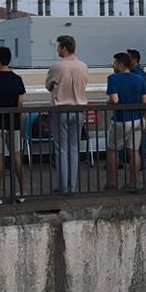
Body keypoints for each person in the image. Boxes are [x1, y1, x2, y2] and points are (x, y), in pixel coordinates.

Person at [45, 35, 89, 195]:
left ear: (64, 48)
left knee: (61, 149)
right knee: (74, 148)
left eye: (58, 47)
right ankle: (72, 186)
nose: (57, 49)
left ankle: (63, 187)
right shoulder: (83, 66)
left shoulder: (57, 67)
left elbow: (48, 85)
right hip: (78, 110)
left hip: (61, 109)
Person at [0, 47, 27, 204]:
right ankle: (22, 191)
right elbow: (20, 102)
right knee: (16, 157)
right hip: (13, 123)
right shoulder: (17, 79)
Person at [105, 52, 146, 190]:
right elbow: (145, 101)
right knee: (134, 151)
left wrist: (108, 103)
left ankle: (112, 183)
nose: (113, 65)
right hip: (138, 119)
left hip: (121, 119)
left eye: (115, 63)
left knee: (113, 150)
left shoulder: (113, 78)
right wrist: (145, 119)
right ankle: (132, 183)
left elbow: (114, 100)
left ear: (121, 64)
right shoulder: (139, 79)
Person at [119, 48, 146, 170]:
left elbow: (145, 96)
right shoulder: (137, 74)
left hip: (136, 110)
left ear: (135, 60)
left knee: (138, 139)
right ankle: (127, 161)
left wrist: (145, 115)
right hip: (135, 110)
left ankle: (139, 163)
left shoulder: (139, 76)